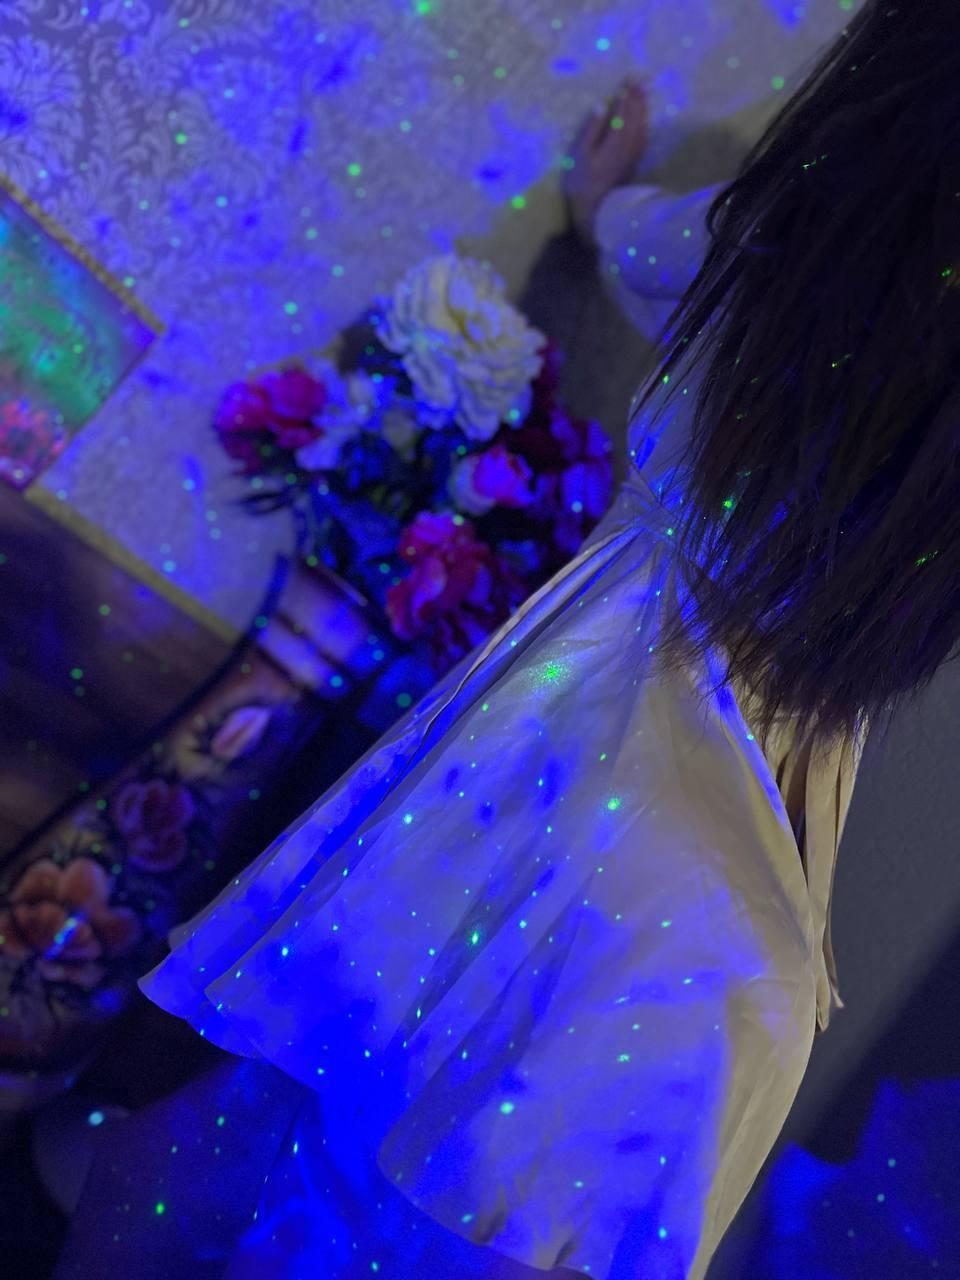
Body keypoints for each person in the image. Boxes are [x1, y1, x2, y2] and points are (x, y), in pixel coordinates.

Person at [57, 4, 960, 1277]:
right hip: (711, 856)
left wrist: (606, 204)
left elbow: (660, 247)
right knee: (406, 1184)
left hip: (583, 747)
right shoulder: (819, 273)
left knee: (280, 1138)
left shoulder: (804, 233)